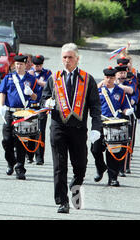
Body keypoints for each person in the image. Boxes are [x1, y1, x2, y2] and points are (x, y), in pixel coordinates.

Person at [41, 43, 102, 214]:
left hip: (78, 128)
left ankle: (75, 187)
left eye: (70, 57)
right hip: (58, 127)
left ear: (77, 59)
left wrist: (97, 127)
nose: (67, 61)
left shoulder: (87, 79)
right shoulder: (54, 78)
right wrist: (46, 102)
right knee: (60, 166)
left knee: (80, 165)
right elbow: (43, 98)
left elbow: (95, 106)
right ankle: (62, 201)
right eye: (64, 57)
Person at [0, 53, 39, 180]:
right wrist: (1, 106)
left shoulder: (31, 79)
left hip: (23, 112)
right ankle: (11, 162)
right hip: (10, 112)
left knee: (21, 141)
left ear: (26, 65)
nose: (18, 66)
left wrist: (31, 93)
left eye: (21, 64)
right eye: (16, 64)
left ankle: (20, 168)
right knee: (6, 140)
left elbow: (37, 97)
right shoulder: (9, 77)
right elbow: (2, 92)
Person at [91, 67, 132, 187]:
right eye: (107, 77)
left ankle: (113, 178)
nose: (109, 80)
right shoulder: (98, 91)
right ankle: (101, 167)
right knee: (95, 149)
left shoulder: (120, 92)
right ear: (104, 77)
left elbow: (124, 106)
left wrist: (127, 111)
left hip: (114, 123)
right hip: (101, 122)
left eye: (111, 78)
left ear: (115, 78)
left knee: (113, 151)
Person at [28, 54, 52, 165]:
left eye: (40, 65)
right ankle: (29, 155)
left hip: (42, 105)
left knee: (40, 131)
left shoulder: (47, 73)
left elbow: (49, 85)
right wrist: (31, 77)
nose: (38, 67)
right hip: (30, 105)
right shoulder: (28, 73)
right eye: (36, 65)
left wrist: (36, 80)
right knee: (29, 130)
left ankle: (39, 157)